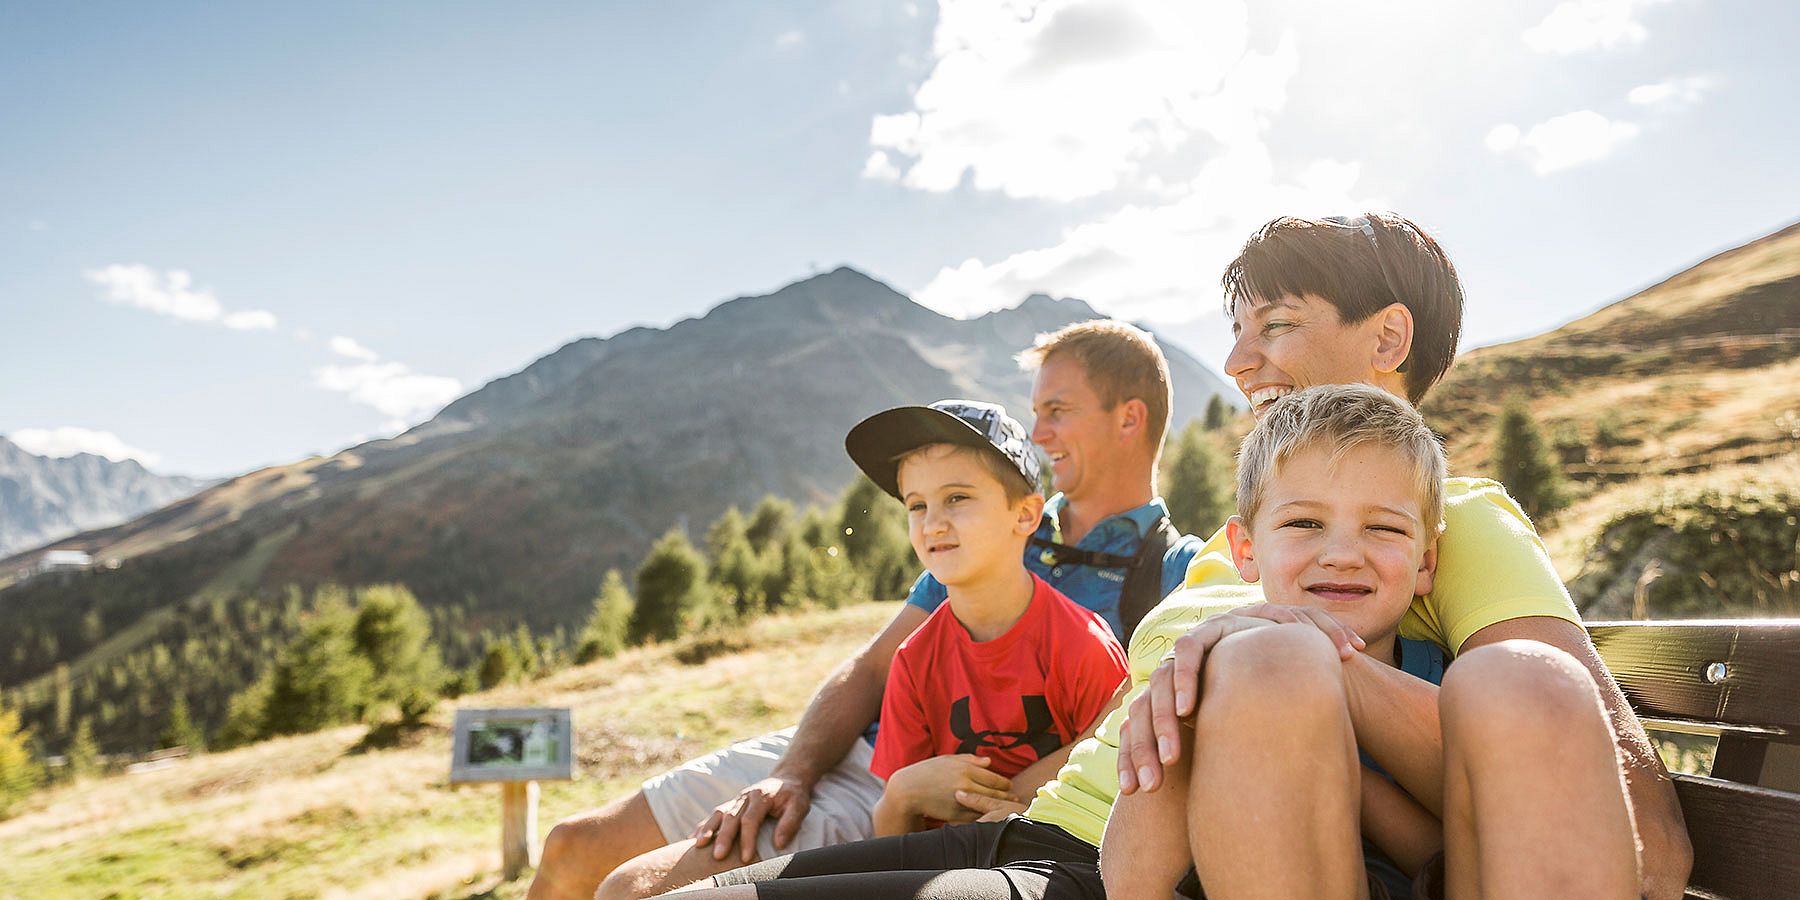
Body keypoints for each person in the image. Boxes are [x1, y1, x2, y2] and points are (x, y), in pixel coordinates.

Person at [649, 211, 1690, 900]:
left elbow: (1615, 797)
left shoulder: (1455, 525)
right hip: (1043, 831)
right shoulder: (1235, 554)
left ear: (1387, 339)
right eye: (1235, 331)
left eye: (1274, 326)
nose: (1238, 362)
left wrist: (1311, 650)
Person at [528, 320, 1205, 900]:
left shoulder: (1173, 569)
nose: (1039, 430)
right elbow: (877, 667)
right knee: (571, 849)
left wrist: (1002, 796)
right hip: (875, 759)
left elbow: (1130, 722)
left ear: (1128, 417)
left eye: (1057, 409)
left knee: (635, 889)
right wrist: (793, 772)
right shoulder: (975, 524)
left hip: (974, 801)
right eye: (1035, 412)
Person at [1100, 383, 1638, 899]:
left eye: (1383, 528)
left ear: (1426, 561)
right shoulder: (1219, 673)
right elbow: (1133, 882)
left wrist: (1343, 682)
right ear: (1245, 549)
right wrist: (1195, 708)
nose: (1342, 553)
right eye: (1305, 522)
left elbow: (1472, 842)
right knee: (1265, 662)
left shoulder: (1453, 688)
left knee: (1530, 674)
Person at [843, 400, 1128, 838]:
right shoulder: (914, 661)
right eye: (916, 505)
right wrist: (901, 793)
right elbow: (893, 839)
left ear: (1025, 515)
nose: (933, 524)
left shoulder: (1083, 646)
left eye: (957, 498)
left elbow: (1117, 793)